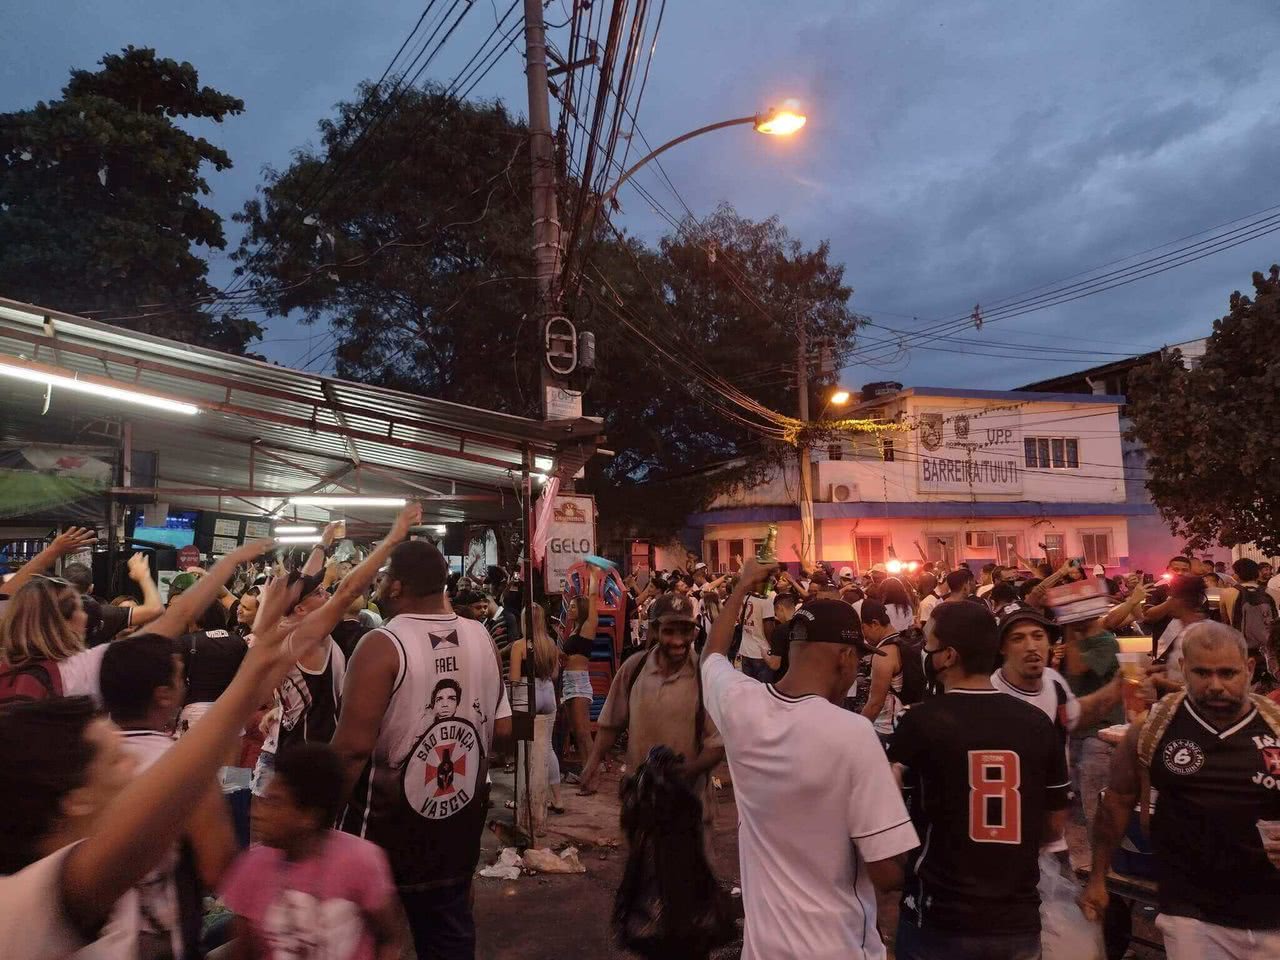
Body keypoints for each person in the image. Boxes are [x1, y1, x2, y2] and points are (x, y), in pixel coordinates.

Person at [0, 534, 355, 960]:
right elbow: (220, 866)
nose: (122, 764)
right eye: (107, 758)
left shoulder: (48, 894)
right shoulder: (66, 890)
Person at [702, 558, 918, 960]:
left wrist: (740, 587)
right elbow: (887, 873)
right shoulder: (853, 735)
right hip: (836, 947)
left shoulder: (741, 707)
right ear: (845, 657)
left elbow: (710, 661)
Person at [332, 533, 511, 960]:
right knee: (448, 937)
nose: (377, 586)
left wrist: (319, 824)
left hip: (384, 833)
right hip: (458, 824)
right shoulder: (482, 638)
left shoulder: (382, 645)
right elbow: (502, 730)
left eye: (382, 578)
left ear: (396, 585)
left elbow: (351, 751)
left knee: (371, 941)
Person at [1081, 622, 1280, 958]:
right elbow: (1117, 801)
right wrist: (1098, 878)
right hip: (1191, 914)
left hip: (1272, 911)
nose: (1215, 685)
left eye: (1227, 673)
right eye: (1202, 673)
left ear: (1248, 669)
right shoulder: (1153, 729)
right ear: (1185, 669)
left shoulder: (1275, 726)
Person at [888, 601, 1071, 960]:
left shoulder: (921, 722)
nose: (925, 652)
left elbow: (893, 816)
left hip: (940, 915)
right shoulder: (1036, 722)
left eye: (929, 644)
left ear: (948, 656)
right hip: (1016, 916)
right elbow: (1054, 824)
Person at [99, 633, 237, 959]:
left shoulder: (81, 759)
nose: (185, 683)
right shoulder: (185, 769)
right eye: (179, 677)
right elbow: (218, 869)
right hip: (157, 943)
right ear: (163, 695)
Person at [221, 742, 400, 960]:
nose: (255, 813)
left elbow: (389, 938)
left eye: (274, 803)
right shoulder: (253, 866)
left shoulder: (360, 861)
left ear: (308, 817)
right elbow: (244, 951)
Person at [578, 594, 723, 844]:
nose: (678, 641)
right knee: (643, 878)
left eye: (685, 631)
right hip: (642, 807)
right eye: (669, 631)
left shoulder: (705, 677)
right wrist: (593, 762)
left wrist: (685, 772)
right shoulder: (634, 669)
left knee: (689, 881)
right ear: (655, 630)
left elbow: (717, 745)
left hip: (690, 809)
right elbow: (612, 722)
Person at [992, 606, 1123, 842]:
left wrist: (1119, 687)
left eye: (1038, 636)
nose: (1031, 646)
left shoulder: (1052, 681)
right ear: (1003, 648)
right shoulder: (992, 694)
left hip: (1053, 824)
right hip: (1011, 824)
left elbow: (1075, 716)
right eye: (1018, 638)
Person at [508, 601, 565, 825]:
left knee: (524, 747)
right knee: (548, 747)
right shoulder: (550, 644)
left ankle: (525, 800)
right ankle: (558, 799)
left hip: (525, 692)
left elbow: (513, 679)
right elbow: (554, 674)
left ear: (524, 622)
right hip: (547, 693)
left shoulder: (519, 646)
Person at [64, 552, 165, 646]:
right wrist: (144, 576)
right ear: (91, 588)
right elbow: (155, 609)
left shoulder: (51, 612)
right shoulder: (104, 614)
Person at [557, 570, 599, 777]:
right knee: (576, 732)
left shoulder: (587, 627)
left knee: (583, 733)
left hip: (579, 681)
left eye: (573, 606)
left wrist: (594, 575)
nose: (570, 609)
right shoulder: (574, 630)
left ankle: (592, 775)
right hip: (568, 680)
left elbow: (592, 598)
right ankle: (585, 772)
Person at [858, 599, 907, 745]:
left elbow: (875, 704)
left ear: (875, 623)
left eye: (863, 628)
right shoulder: (902, 642)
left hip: (885, 727)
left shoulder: (884, 654)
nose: (864, 635)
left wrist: (856, 731)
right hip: (902, 720)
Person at [1151, 574, 1210, 691]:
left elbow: (1201, 687)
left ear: (1179, 601)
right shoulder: (1186, 629)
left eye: (1171, 598)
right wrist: (1163, 668)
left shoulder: (1197, 635)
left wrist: (1160, 682)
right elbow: (1188, 667)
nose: (1168, 602)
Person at [737, 580, 777, 682]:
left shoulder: (745, 598)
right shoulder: (766, 601)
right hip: (762, 653)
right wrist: (774, 648)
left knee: (750, 690)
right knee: (763, 691)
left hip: (745, 651)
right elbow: (768, 628)